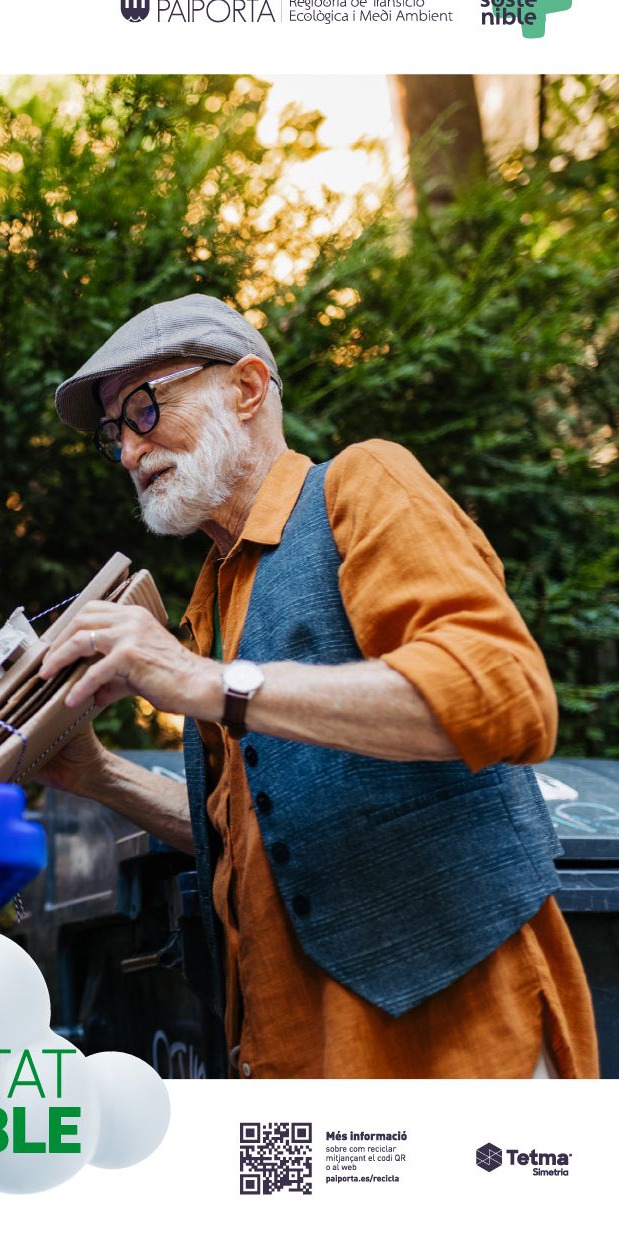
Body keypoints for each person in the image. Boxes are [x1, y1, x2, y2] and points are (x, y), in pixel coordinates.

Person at [38, 292, 599, 1079]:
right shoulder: (213, 597)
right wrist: (95, 776)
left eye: (144, 407)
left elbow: (504, 694)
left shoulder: (362, 482)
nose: (129, 451)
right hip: (291, 1062)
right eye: (113, 433)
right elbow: (253, 831)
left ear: (246, 386)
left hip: (456, 1055)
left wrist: (199, 679)